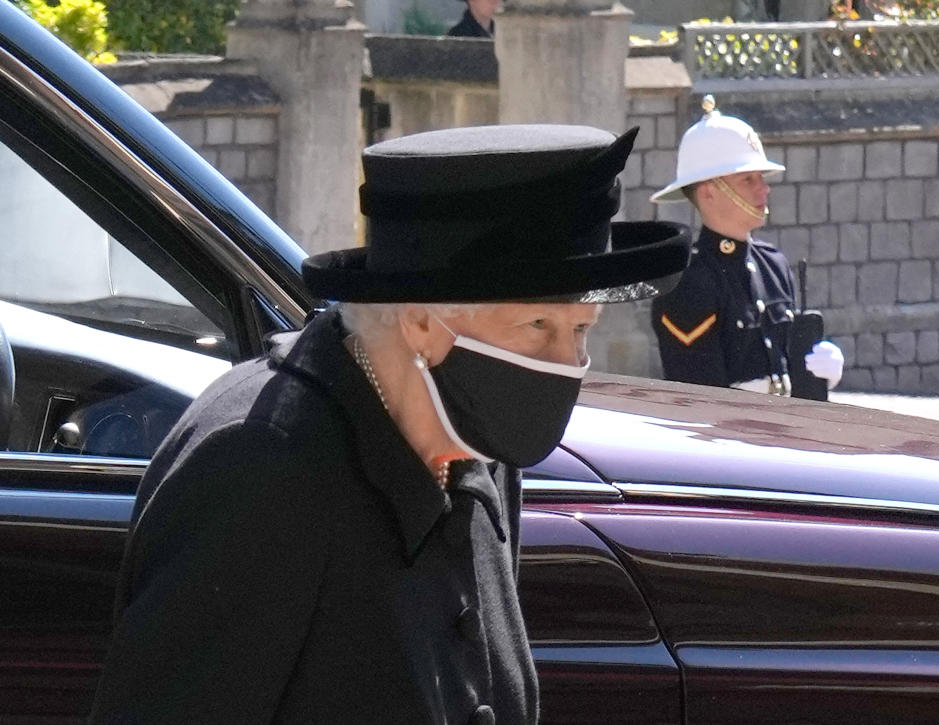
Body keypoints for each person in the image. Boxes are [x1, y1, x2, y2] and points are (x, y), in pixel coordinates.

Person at [89, 124, 690, 724]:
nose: (566, 363)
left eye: (580, 329)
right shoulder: (262, 465)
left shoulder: (475, 446)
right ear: (423, 322)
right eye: (538, 327)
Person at [650, 96, 844, 397]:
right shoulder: (688, 281)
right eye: (748, 179)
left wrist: (814, 373)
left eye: (761, 177)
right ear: (709, 192)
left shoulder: (773, 264)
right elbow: (701, 395)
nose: (764, 188)